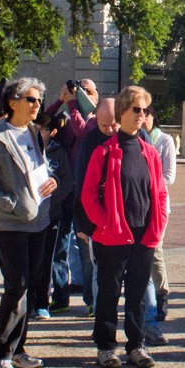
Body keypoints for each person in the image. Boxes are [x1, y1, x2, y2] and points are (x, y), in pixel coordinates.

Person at [0, 77, 59, 368]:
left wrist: (52, 180)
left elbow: (41, 169)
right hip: (10, 225)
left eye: (39, 100)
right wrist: (9, 203)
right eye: (31, 100)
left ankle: (19, 349)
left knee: (31, 287)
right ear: (13, 102)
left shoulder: (34, 133)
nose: (37, 105)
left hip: (39, 222)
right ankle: (0, 354)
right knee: (16, 286)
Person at [81, 85, 169, 368]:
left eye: (145, 110)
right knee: (108, 293)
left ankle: (136, 345)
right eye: (136, 110)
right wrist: (105, 222)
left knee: (137, 295)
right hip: (112, 236)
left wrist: (158, 226)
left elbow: (160, 193)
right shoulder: (104, 151)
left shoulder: (150, 152)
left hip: (144, 235)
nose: (142, 115)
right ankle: (106, 346)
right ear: (121, 112)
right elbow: (88, 194)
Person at [42, 80, 91, 313]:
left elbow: (82, 131)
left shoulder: (94, 120)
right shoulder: (66, 117)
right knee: (59, 247)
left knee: (86, 249)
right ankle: (60, 298)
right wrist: (61, 100)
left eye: (88, 92)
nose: (82, 95)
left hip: (84, 192)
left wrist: (73, 104)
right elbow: (43, 121)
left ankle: (92, 300)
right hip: (64, 192)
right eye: (80, 91)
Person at [68, 98, 118, 312]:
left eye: (113, 124)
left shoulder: (134, 137)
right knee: (94, 265)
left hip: (124, 216)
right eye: (103, 125)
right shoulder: (90, 141)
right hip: (95, 216)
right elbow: (81, 183)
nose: (109, 130)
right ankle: (96, 306)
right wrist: (82, 224)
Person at [138, 102, 177, 345]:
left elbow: (169, 176)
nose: (143, 118)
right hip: (139, 205)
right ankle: (144, 301)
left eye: (147, 114)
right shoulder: (133, 139)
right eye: (140, 114)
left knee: (155, 252)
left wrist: (147, 183)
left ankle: (161, 293)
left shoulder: (164, 141)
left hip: (158, 203)